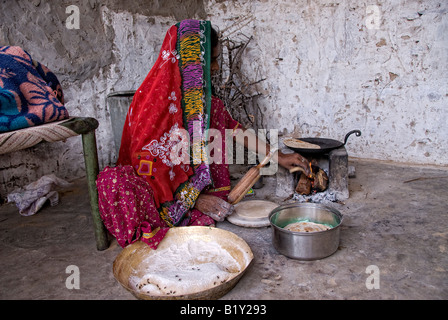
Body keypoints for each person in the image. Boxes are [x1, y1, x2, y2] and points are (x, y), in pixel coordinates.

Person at [96, 19, 309, 249]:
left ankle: (192, 201)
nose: (215, 68)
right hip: (156, 192)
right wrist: (194, 200)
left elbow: (235, 130)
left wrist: (278, 157)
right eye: (212, 60)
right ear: (191, 62)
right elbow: (146, 165)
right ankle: (183, 207)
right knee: (113, 182)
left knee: (215, 113)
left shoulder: (208, 105)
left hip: (189, 185)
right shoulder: (150, 103)